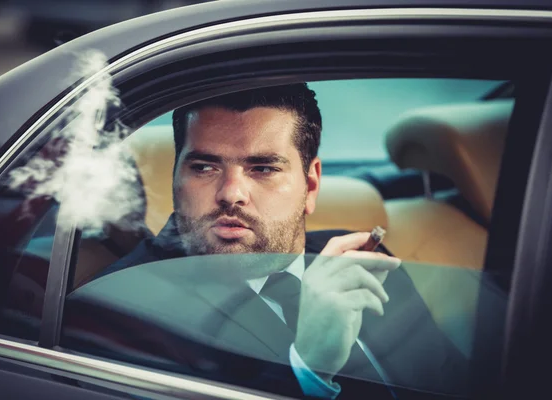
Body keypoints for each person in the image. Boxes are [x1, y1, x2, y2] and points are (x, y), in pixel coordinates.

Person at [90, 83, 468, 399]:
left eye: (263, 168)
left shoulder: (359, 258)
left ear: (311, 185)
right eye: (204, 167)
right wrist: (308, 368)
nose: (231, 193)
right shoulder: (120, 304)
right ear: (175, 177)